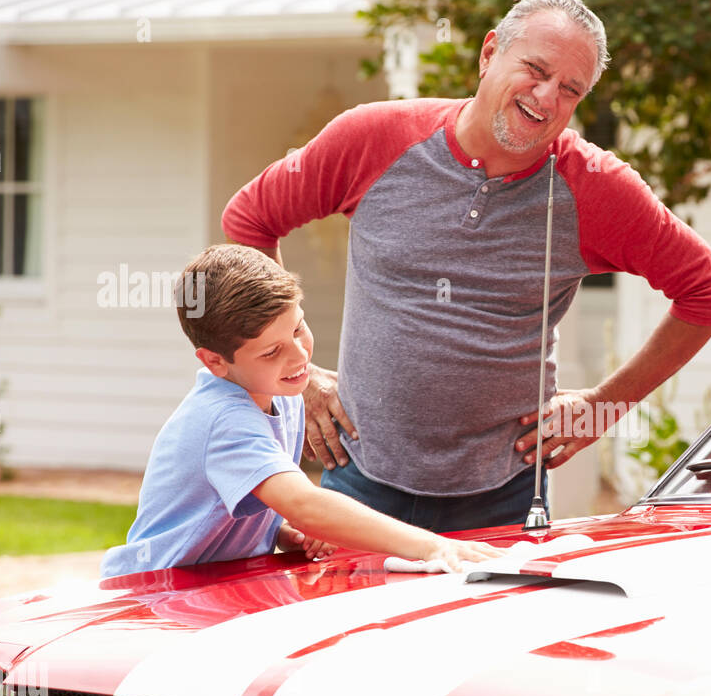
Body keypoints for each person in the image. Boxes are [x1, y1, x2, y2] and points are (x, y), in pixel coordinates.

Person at [220, 0, 711, 533]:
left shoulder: (595, 189)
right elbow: (250, 220)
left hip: (504, 496)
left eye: (570, 89)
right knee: (353, 622)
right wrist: (295, 370)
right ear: (490, 53)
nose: (546, 97)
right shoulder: (373, 138)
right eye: (535, 70)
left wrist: (605, 405)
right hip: (358, 478)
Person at [100, 244, 501, 580]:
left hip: (221, 584)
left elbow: (235, 503)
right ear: (215, 362)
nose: (299, 356)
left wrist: (279, 531)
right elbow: (305, 504)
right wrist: (432, 545)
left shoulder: (282, 394)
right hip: (156, 593)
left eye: (297, 328)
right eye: (272, 351)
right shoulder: (223, 420)